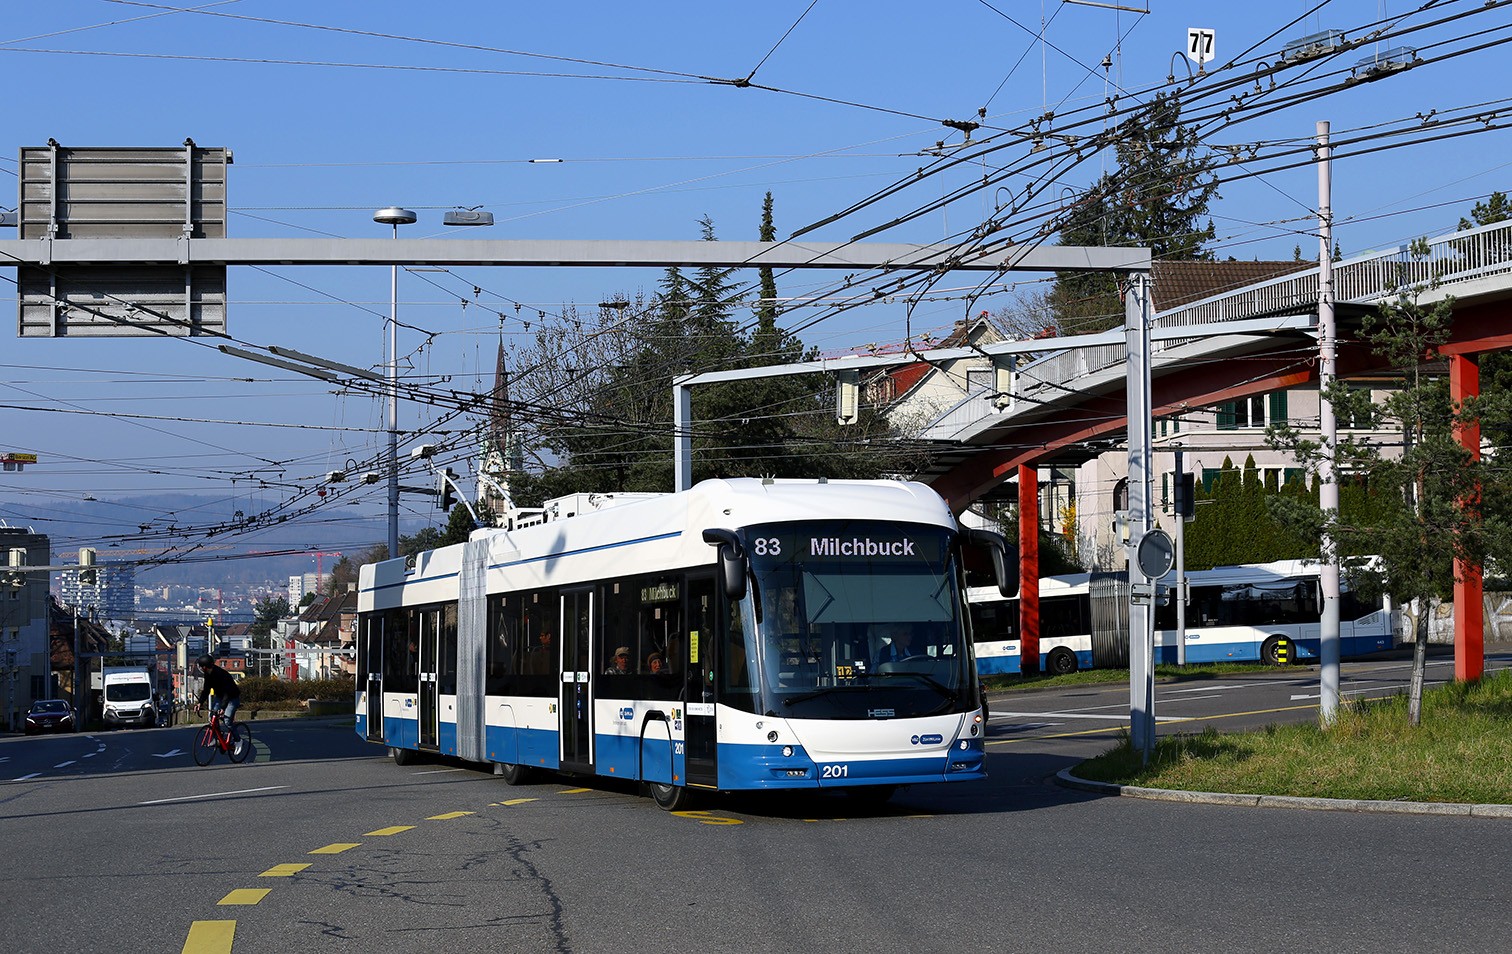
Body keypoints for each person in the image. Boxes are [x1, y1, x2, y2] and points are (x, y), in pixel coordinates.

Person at [194, 654, 242, 726]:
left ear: (205, 667)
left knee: (227, 720)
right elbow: (206, 690)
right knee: (213, 717)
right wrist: (200, 703)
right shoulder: (207, 674)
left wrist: (223, 707)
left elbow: (227, 693)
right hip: (220, 696)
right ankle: (217, 736)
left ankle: (237, 737)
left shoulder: (221, 675)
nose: (200, 668)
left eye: (201, 667)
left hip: (232, 698)